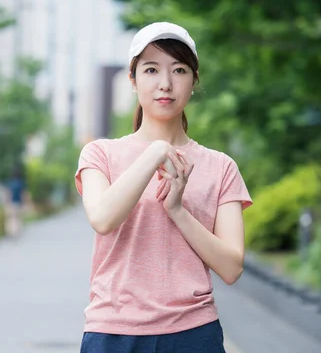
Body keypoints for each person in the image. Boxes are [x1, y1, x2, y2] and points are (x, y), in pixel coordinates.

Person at [74, 22, 253, 352]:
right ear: (133, 80)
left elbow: (231, 267)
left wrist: (177, 211)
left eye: (179, 70)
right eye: (152, 69)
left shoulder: (221, 166)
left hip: (193, 332)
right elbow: (102, 218)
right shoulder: (100, 154)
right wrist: (155, 151)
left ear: (194, 81)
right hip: (113, 332)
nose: (165, 84)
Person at [6, 167, 27, 236]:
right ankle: (17, 231)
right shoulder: (21, 183)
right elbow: (23, 194)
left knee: (12, 218)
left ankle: (12, 231)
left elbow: (8, 194)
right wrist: (25, 203)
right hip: (19, 203)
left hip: (11, 202)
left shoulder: (10, 183)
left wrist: (7, 203)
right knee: (18, 217)